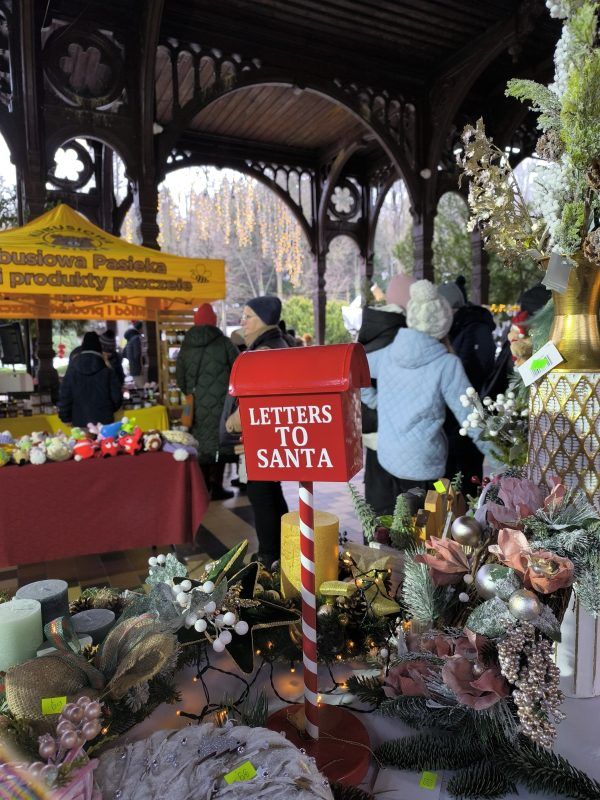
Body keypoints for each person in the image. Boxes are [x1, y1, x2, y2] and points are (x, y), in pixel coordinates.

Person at [362, 280, 488, 515]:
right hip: (426, 468)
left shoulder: (389, 353)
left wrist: (374, 400)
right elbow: (471, 418)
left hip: (387, 459)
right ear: (443, 323)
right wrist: (500, 456)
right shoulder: (446, 364)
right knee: (426, 535)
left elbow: (354, 370)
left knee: (394, 529)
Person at [225, 295, 289, 567]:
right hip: (269, 438)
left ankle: (269, 556)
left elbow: (256, 401)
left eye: (248, 316)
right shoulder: (275, 344)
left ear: (263, 319)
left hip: (260, 439)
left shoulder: (263, 352)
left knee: (261, 495)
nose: (243, 322)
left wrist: (233, 422)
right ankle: (283, 548)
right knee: (272, 493)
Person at [358, 273, 413, 515]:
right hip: (401, 435)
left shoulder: (373, 328)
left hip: (374, 433)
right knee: (409, 505)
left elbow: (359, 376)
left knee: (379, 505)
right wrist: (384, 403)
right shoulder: (400, 334)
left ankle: (377, 550)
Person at [176, 303, 239, 501]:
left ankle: (202, 488)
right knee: (219, 445)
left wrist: (191, 393)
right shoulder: (224, 343)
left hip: (197, 406)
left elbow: (179, 377)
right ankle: (218, 486)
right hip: (223, 404)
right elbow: (238, 370)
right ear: (213, 321)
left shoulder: (186, 346)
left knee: (202, 445)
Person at [438, 281, 495, 493]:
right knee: (444, 484)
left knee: (466, 481)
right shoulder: (458, 328)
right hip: (454, 425)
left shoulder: (474, 330)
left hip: (466, 424)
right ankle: (447, 516)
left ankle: (464, 519)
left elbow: (471, 381)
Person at [58, 331, 122, 427]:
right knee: (106, 443)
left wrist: (65, 418)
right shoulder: (107, 371)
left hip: (79, 423)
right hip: (105, 424)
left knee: (84, 442)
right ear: (99, 349)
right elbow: (117, 398)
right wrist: (107, 409)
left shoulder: (72, 372)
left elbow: (65, 397)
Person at [123, 321, 144, 387]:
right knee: (141, 387)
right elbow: (137, 354)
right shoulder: (136, 339)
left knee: (137, 387)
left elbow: (124, 353)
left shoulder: (130, 339)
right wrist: (143, 362)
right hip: (138, 369)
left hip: (133, 368)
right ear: (140, 328)